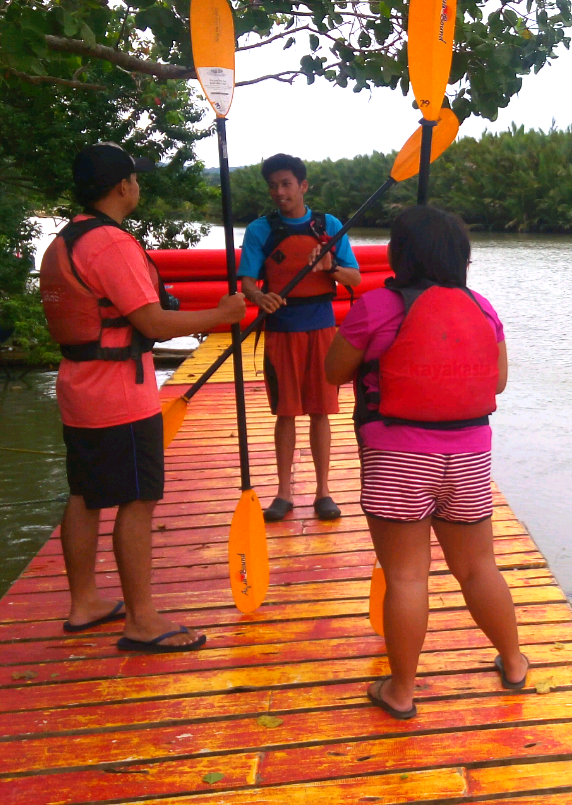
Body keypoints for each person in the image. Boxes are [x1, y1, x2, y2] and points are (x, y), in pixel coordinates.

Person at [40, 142, 247, 651]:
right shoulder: (110, 244)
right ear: (120, 187)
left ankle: (84, 602)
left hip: (78, 387)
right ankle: (142, 620)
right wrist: (221, 316)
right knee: (137, 499)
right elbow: (151, 321)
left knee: (86, 495)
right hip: (119, 395)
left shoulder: (66, 239)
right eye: (134, 178)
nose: (138, 185)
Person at [325, 205, 526, 719]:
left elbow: (333, 371)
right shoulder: (482, 307)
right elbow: (497, 382)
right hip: (469, 456)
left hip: (396, 456)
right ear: (462, 257)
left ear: (399, 255)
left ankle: (402, 692)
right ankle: (514, 662)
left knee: (408, 577)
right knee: (479, 567)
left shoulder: (376, 307)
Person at [239, 154, 360, 522]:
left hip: (321, 327)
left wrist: (330, 266)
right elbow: (246, 282)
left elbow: (354, 279)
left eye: (287, 184)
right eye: (273, 186)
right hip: (281, 328)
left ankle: (324, 491)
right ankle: (284, 492)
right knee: (286, 412)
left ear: (303, 186)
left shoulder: (329, 226)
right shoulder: (261, 229)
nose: (280, 192)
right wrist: (259, 297)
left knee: (321, 411)